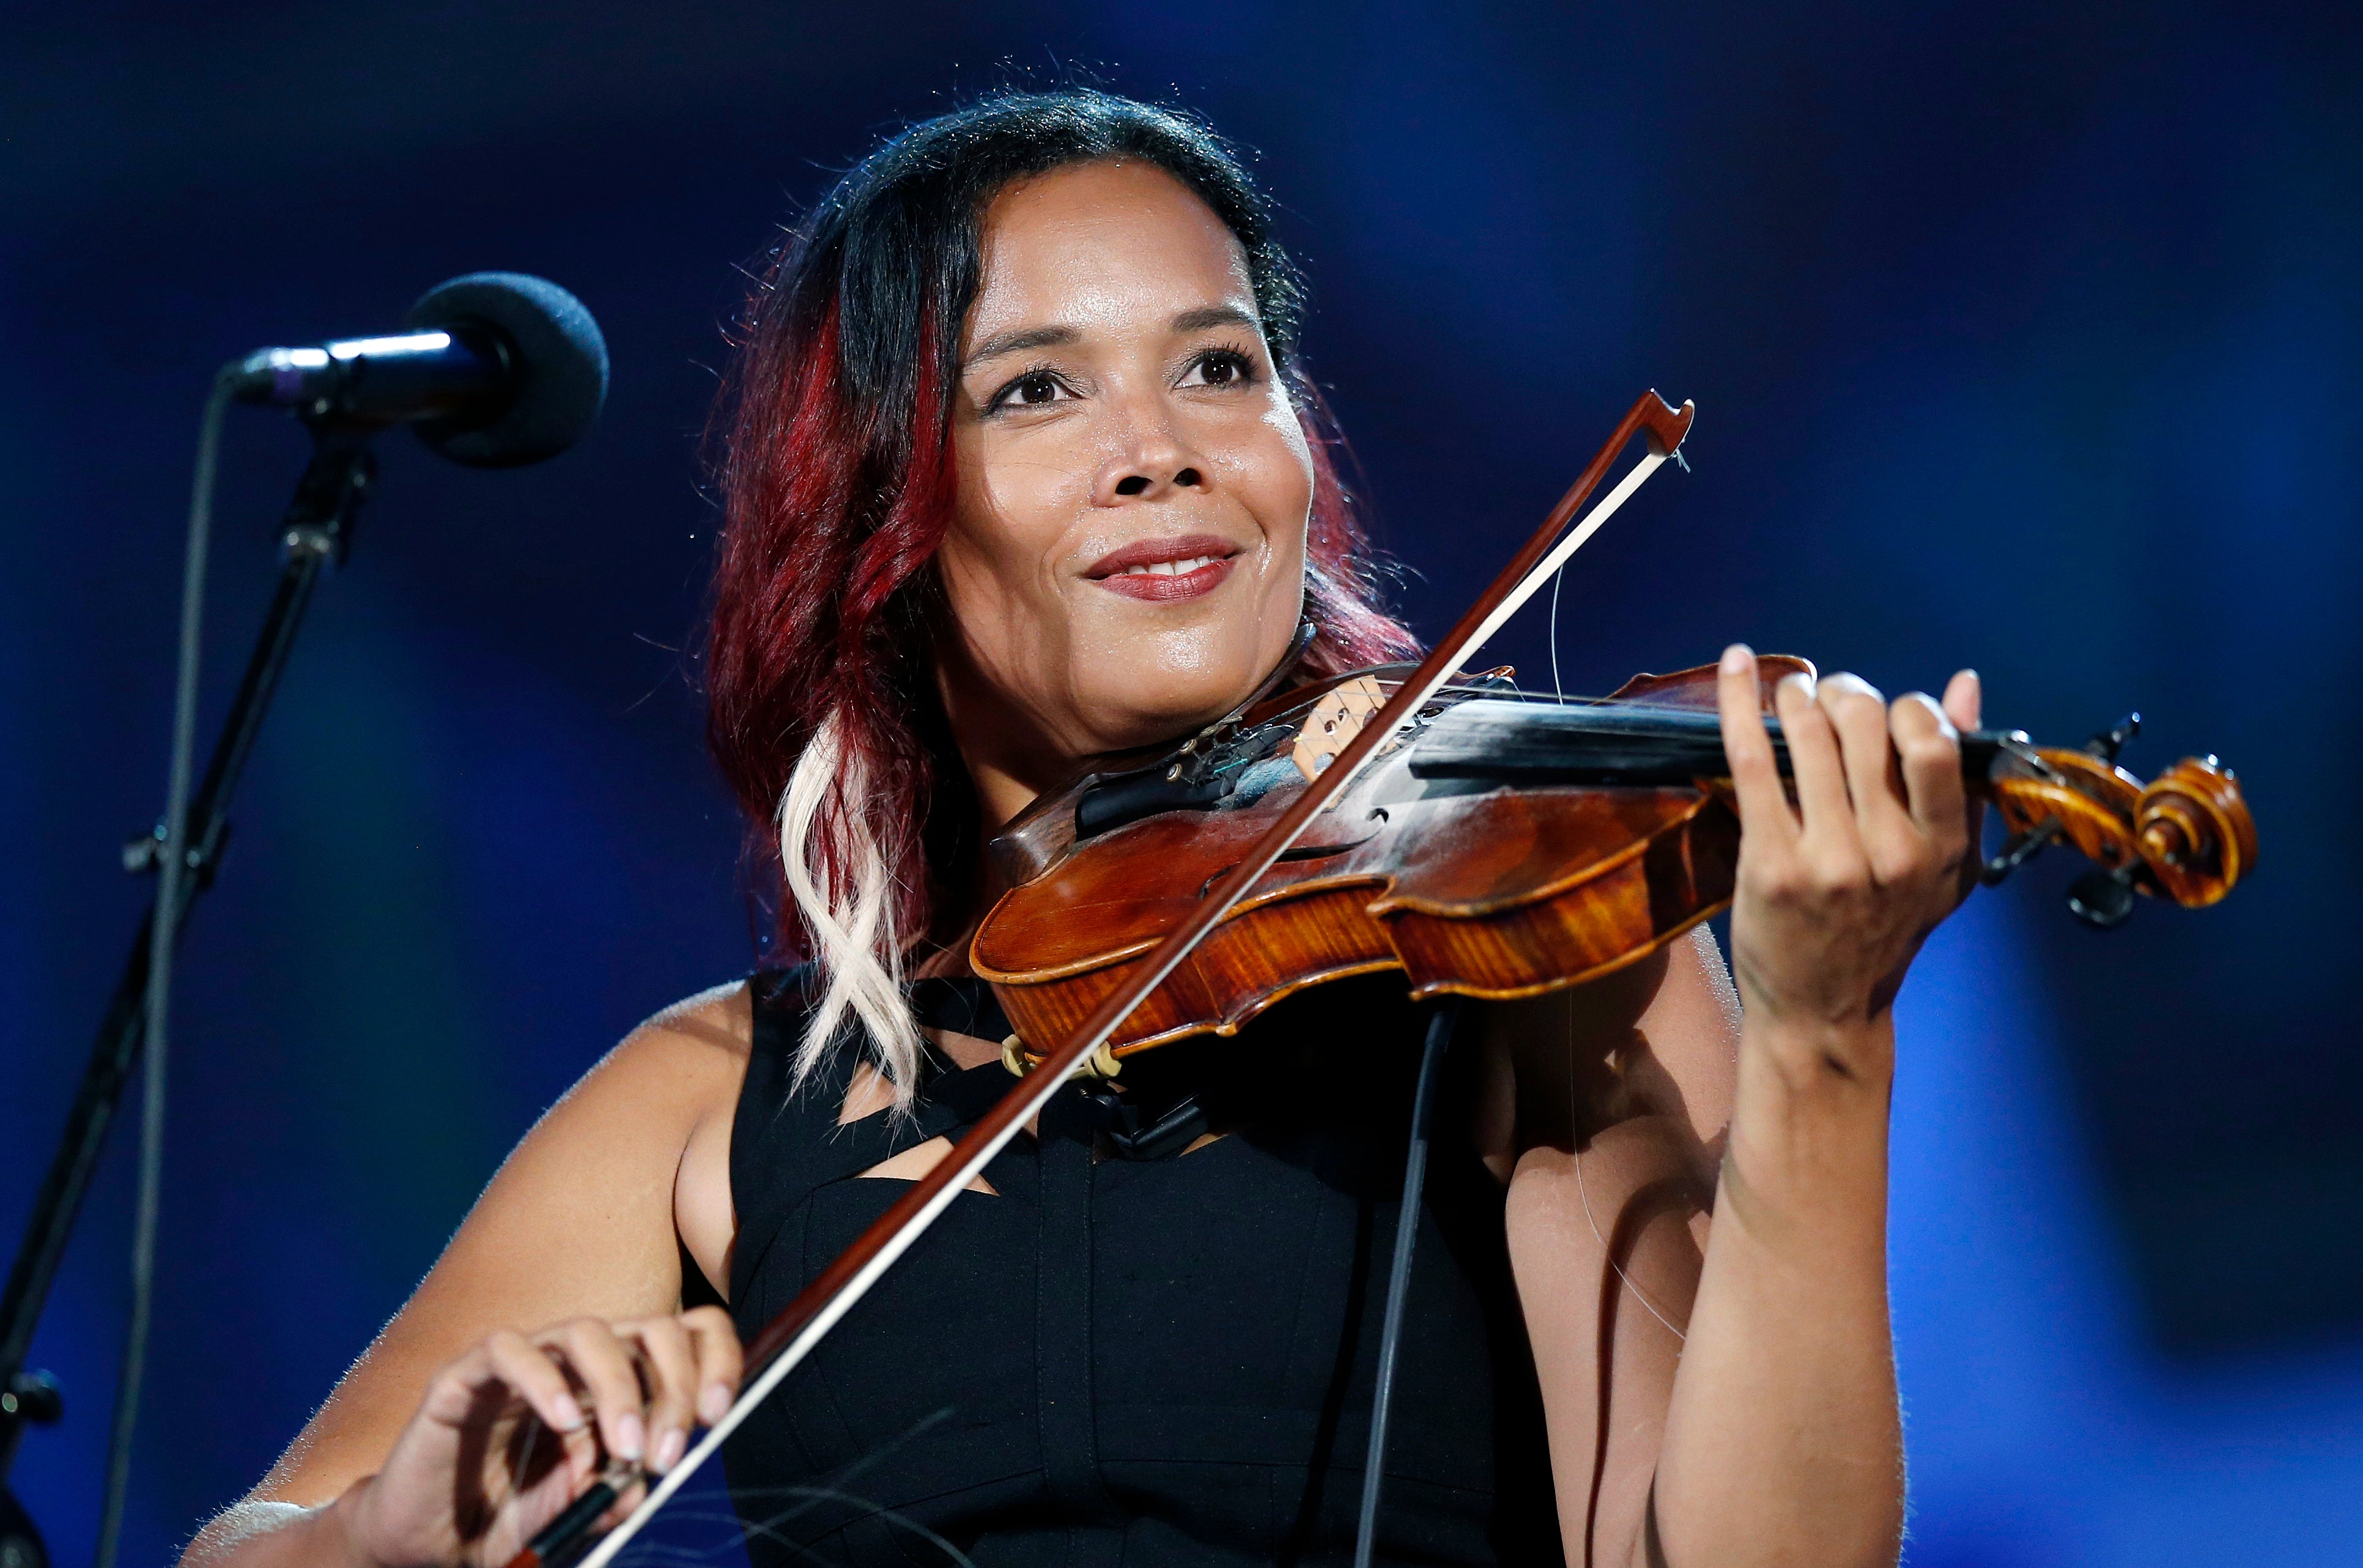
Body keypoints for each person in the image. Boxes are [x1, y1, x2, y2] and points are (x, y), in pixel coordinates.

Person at [186, 89, 1983, 1568]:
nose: (1162, 447)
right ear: (884, 518)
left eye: (1219, 368)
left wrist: (1826, 1043)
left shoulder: (1521, 961)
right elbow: (245, 1541)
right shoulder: (712, 1094)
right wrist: (394, 1534)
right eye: (1037, 388)